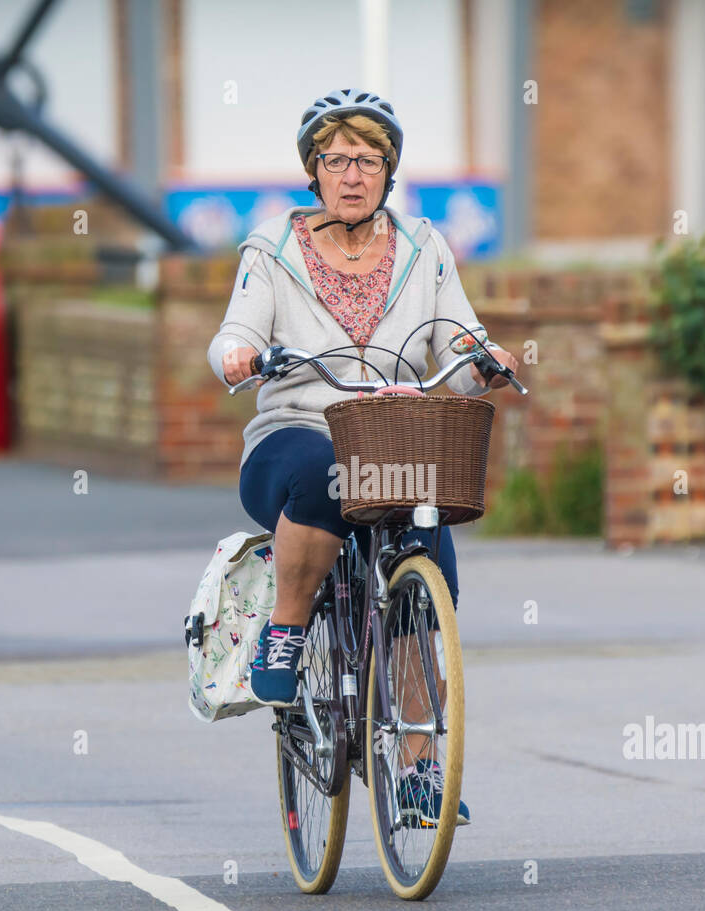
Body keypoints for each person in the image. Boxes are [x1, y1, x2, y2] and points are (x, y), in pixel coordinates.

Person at [206, 88, 519, 827]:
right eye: (337, 159)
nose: (353, 174)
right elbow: (229, 337)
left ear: (389, 171)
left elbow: (458, 340)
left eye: (368, 160)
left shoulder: (425, 248)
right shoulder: (272, 249)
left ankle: (417, 770)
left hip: (393, 439)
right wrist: (242, 356)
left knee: (429, 549)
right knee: (322, 472)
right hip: (295, 432)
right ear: (314, 171)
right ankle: (285, 633)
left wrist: (486, 358)